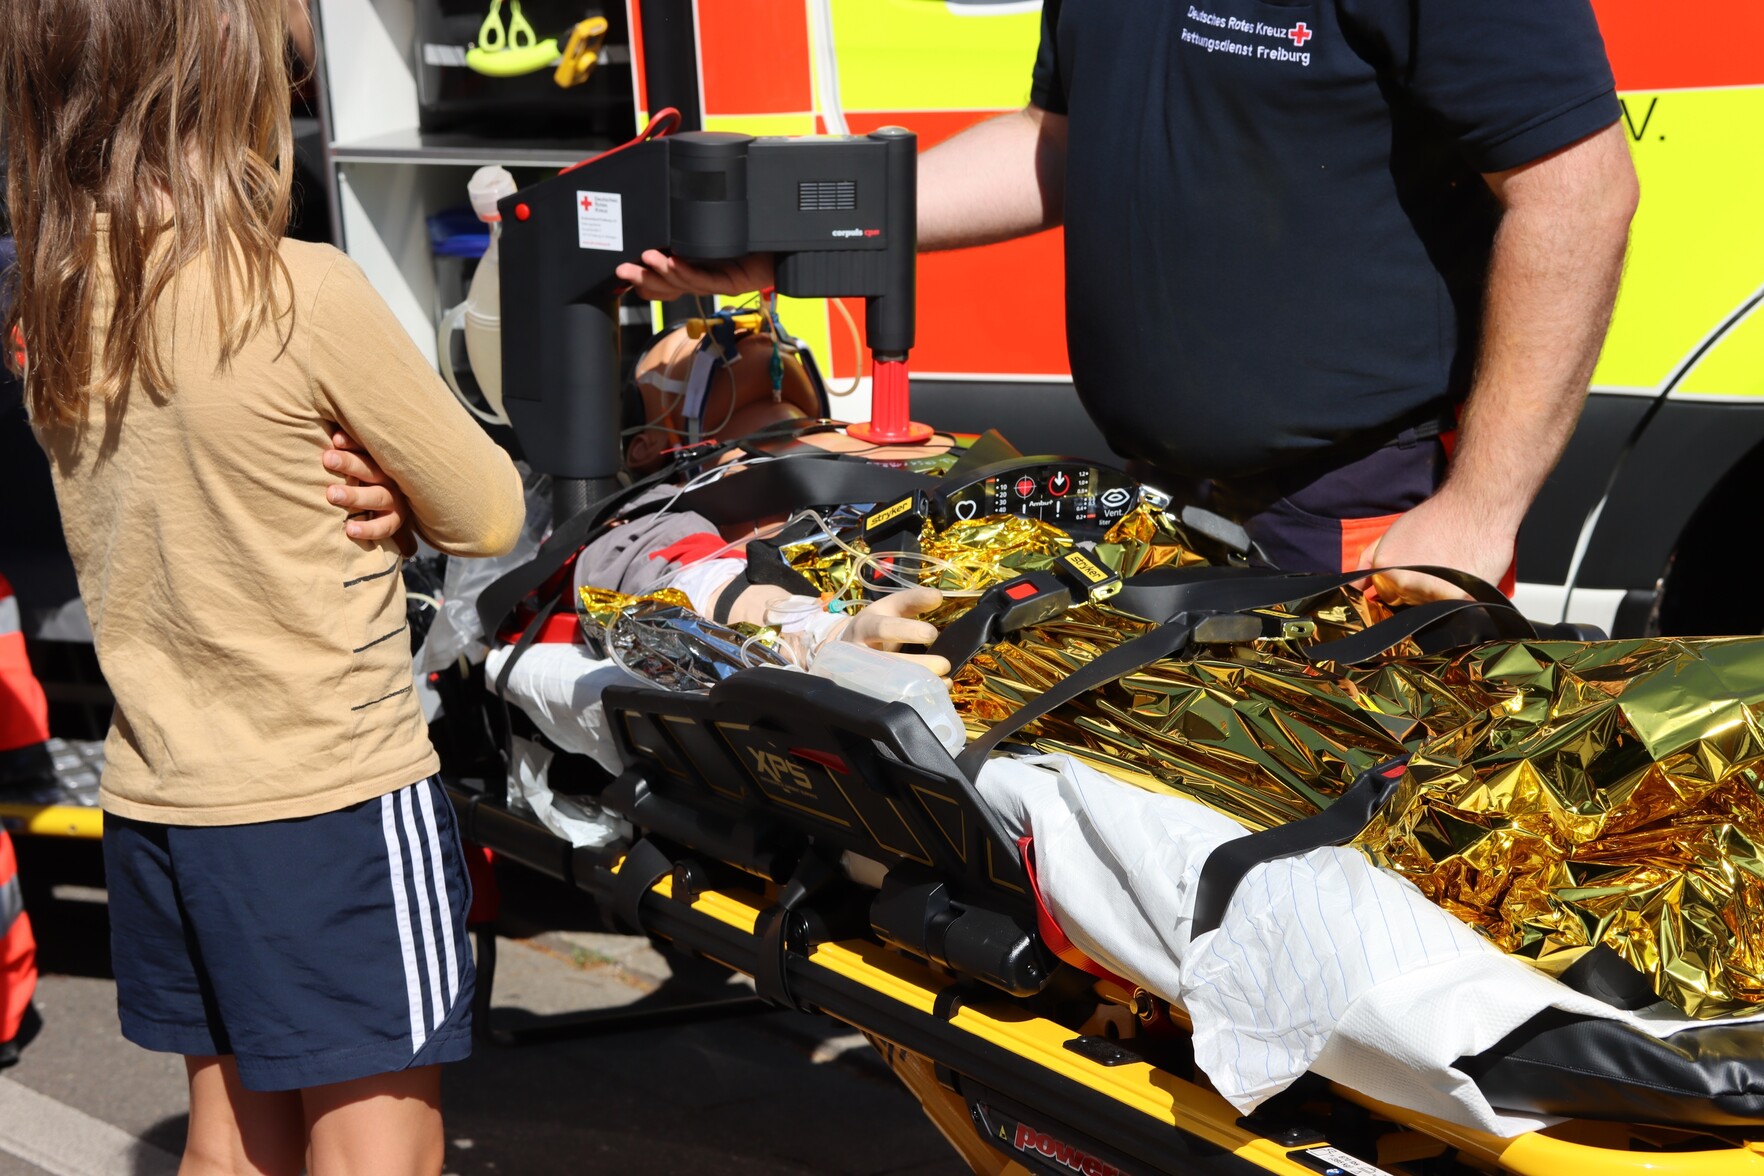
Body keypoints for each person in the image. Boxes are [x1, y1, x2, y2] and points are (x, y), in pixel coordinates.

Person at [616, 1, 1639, 605]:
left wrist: (1479, 512)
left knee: (1345, 873)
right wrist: (791, 236)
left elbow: (1580, 193)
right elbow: (1056, 142)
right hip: (1159, 498)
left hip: (1363, 514)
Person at [0, 2, 525, 1174]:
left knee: (232, 1149)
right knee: (377, 1154)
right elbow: (487, 509)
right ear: (221, 69)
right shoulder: (300, 291)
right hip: (330, 796)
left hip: (162, 797)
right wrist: (397, 495)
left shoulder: (57, 306)